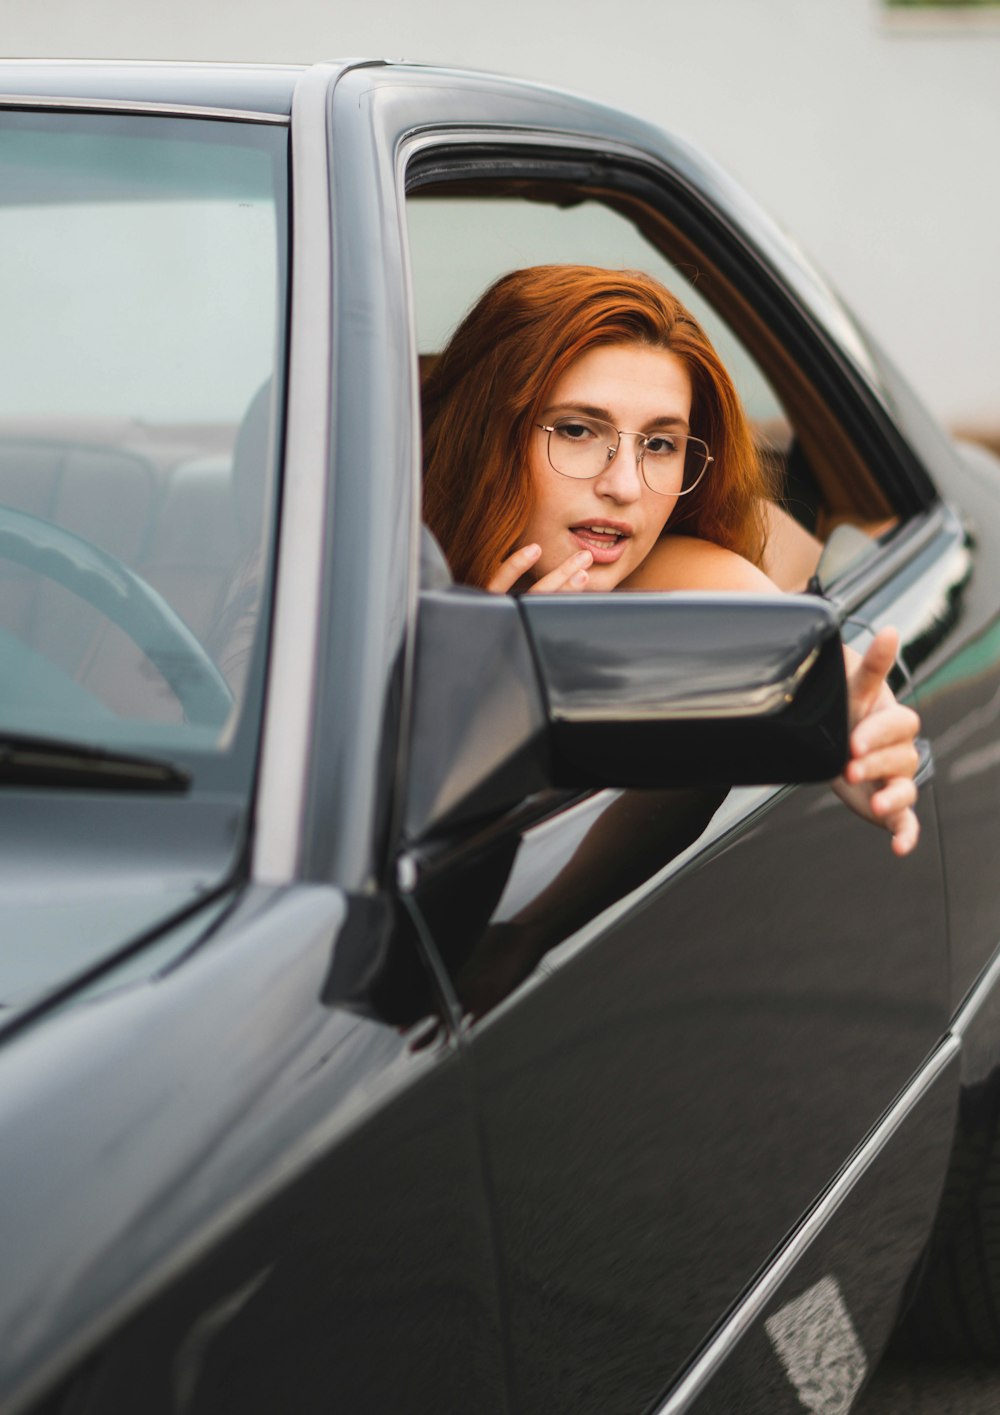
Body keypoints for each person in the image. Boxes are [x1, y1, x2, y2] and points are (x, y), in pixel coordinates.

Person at [422, 264, 921, 855]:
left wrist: (852, 728)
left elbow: (793, 652)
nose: (625, 485)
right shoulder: (333, 555)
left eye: (660, 444)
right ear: (487, 432)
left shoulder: (670, 573)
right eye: (579, 430)